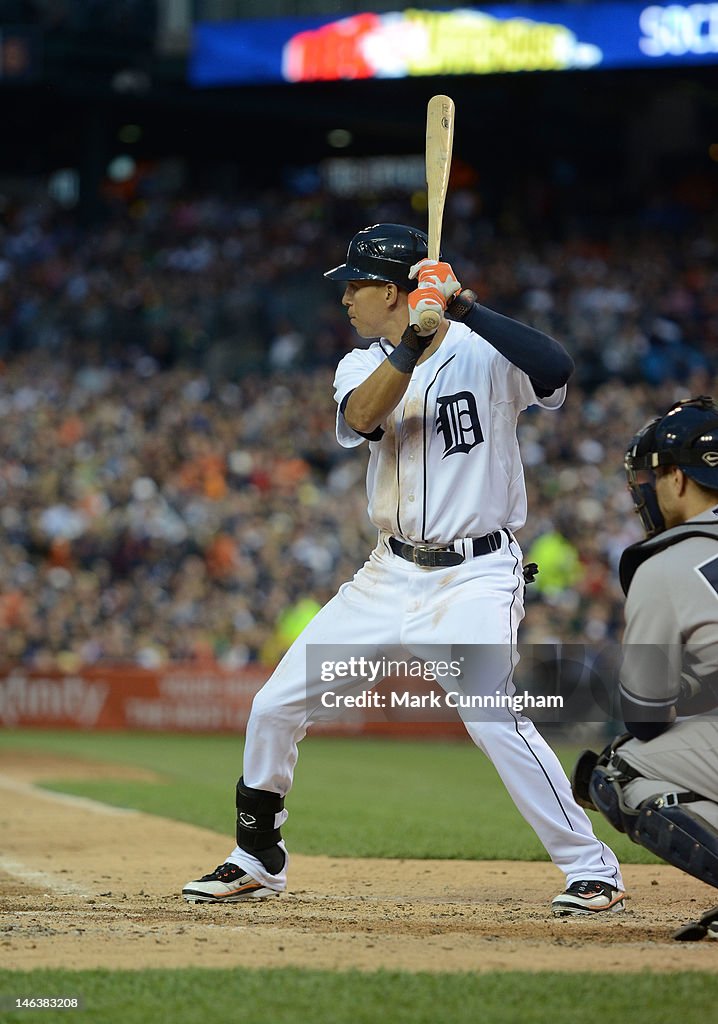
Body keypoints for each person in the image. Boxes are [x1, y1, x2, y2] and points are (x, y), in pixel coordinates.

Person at [183, 223, 624, 915]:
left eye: (354, 285)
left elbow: (557, 367)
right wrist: (415, 339)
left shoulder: (485, 351)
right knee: (274, 706)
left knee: (491, 715)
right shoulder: (362, 363)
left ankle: (590, 866)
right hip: (387, 574)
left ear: (389, 288)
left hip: (475, 574)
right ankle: (255, 856)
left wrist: (465, 306)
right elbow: (363, 417)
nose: (345, 299)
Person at [571, 396, 718, 937]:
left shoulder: (666, 563)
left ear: (677, 479)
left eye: (650, 479)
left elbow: (647, 714)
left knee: (620, 768)